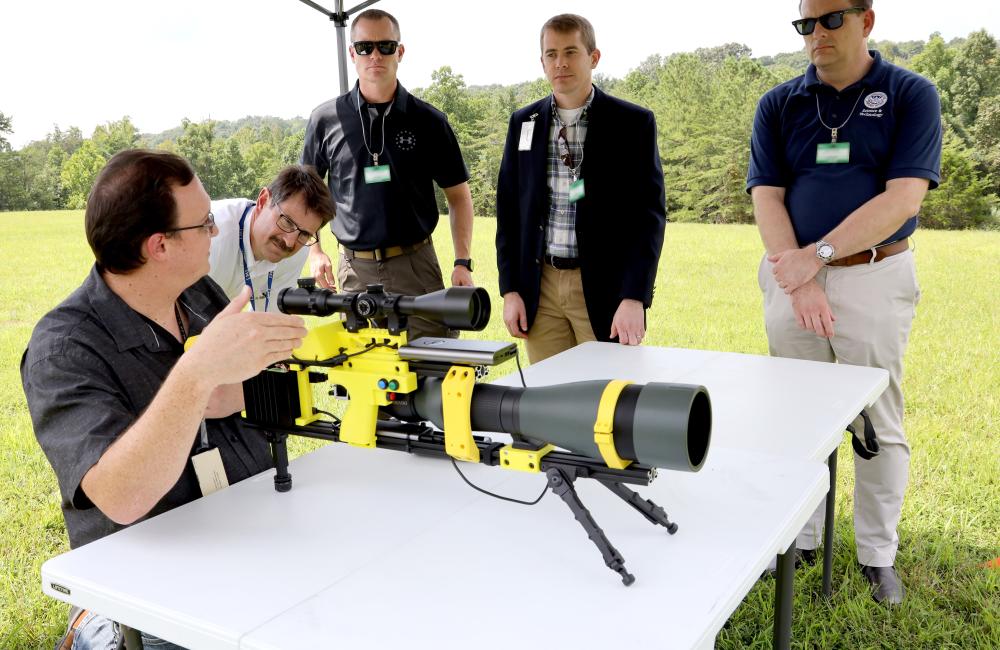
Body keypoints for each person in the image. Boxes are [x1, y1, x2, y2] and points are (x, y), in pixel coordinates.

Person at [21, 149, 307, 648]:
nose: (215, 232)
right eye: (203, 225)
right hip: (145, 595)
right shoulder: (64, 348)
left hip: (254, 542)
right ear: (159, 246)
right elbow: (120, 496)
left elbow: (245, 390)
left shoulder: (198, 295)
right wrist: (194, 379)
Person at [746, 0, 942, 604]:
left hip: (874, 275)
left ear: (867, 21)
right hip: (790, 279)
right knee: (798, 416)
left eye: (832, 19)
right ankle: (803, 539)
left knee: (876, 422)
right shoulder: (779, 103)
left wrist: (819, 257)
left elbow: (903, 198)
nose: (817, 34)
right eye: (806, 23)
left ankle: (876, 554)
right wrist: (799, 277)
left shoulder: (910, 93)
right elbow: (767, 197)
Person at [495, 13, 666, 363]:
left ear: (593, 57)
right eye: (551, 54)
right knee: (548, 401)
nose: (561, 63)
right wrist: (511, 289)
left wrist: (635, 296)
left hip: (605, 288)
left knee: (609, 398)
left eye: (571, 52)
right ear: (542, 61)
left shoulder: (632, 123)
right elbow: (509, 210)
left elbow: (648, 218)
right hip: (539, 288)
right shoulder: (524, 123)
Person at [301, 8, 475, 341]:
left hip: (415, 265)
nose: (375, 55)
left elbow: (458, 195)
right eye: (365, 47)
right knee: (364, 373)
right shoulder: (325, 119)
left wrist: (463, 261)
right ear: (352, 53)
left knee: (433, 369)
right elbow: (306, 193)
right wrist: (315, 249)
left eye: (386, 46)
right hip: (353, 271)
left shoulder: (429, 121)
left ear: (401, 51)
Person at [208, 164, 334, 311]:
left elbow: (270, 320)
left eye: (304, 234)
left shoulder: (297, 253)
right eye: (287, 222)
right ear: (262, 201)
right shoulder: (211, 236)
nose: (289, 242)